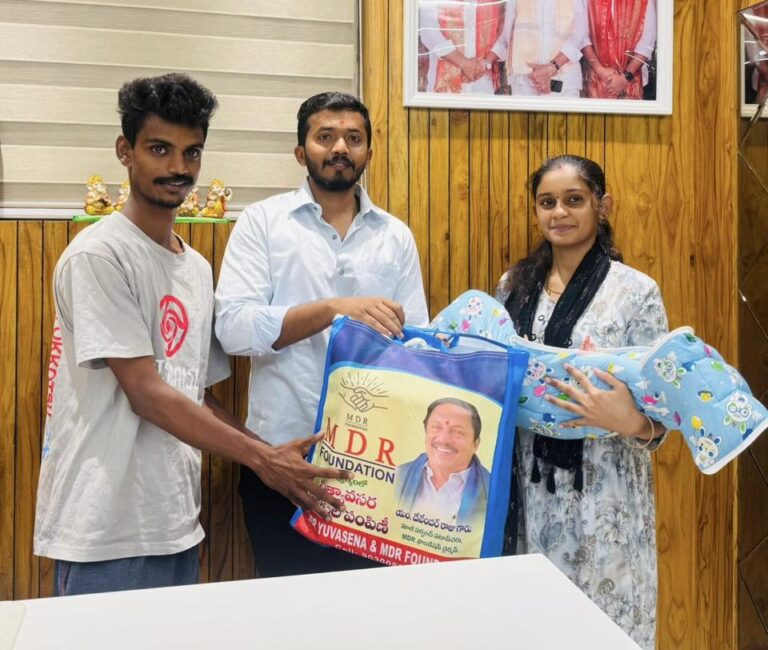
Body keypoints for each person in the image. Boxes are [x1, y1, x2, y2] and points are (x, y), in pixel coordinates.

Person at [34, 74, 349, 597]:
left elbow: (191, 394)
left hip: (175, 523)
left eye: (192, 152)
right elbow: (147, 393)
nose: (178, 167)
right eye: (160, 149)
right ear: (125, 152)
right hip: (104, 531)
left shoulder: (196, 268)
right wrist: (260, 459)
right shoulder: (99, 255)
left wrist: (271, 457)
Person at [214, 92, 429, 578]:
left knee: (371, 618)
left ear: (369, 153)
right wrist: (333, 310)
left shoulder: (396, 236)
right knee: (291, 616)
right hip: (282, 460)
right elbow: (233, 330)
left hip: (376, 466)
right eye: (325, 136)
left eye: (353, 138)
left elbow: (416, 344)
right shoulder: (262, 223)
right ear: (300, 152)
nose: (340, 148)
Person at [496, 155, 668, 649]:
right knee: (535, 621)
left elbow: (663, 412)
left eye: (574, 200)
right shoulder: (513, 287)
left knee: (604, 621)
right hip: (528, 481)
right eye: (547, 202)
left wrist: (630, 419)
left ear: (602, 205)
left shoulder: (634, 292)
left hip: (606, 486)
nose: (560, 213)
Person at [395, 398, 490, 526]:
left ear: (475, 444)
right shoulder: (397, 476)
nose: (444, 440)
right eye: (436, 427)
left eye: (458, 432)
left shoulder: (490, 491)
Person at [495, 0, 589, 97]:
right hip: (525, 79)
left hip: (564, 79)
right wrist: (486, 62)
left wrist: (552, 67)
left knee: (563, 110)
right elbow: (505, 33)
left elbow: (580, 33)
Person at [418, 0, 508, 94]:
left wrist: (486, 62)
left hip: (483, 81)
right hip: (445, 86)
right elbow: (429, 31)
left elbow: (505, 30)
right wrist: (463, 63)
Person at [581, 0, 657, 100]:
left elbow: (647, 43)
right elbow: (582, 37)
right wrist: (600, 71)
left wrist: (624, 78)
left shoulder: (644, 2)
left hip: (631, 80)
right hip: (596, 79)